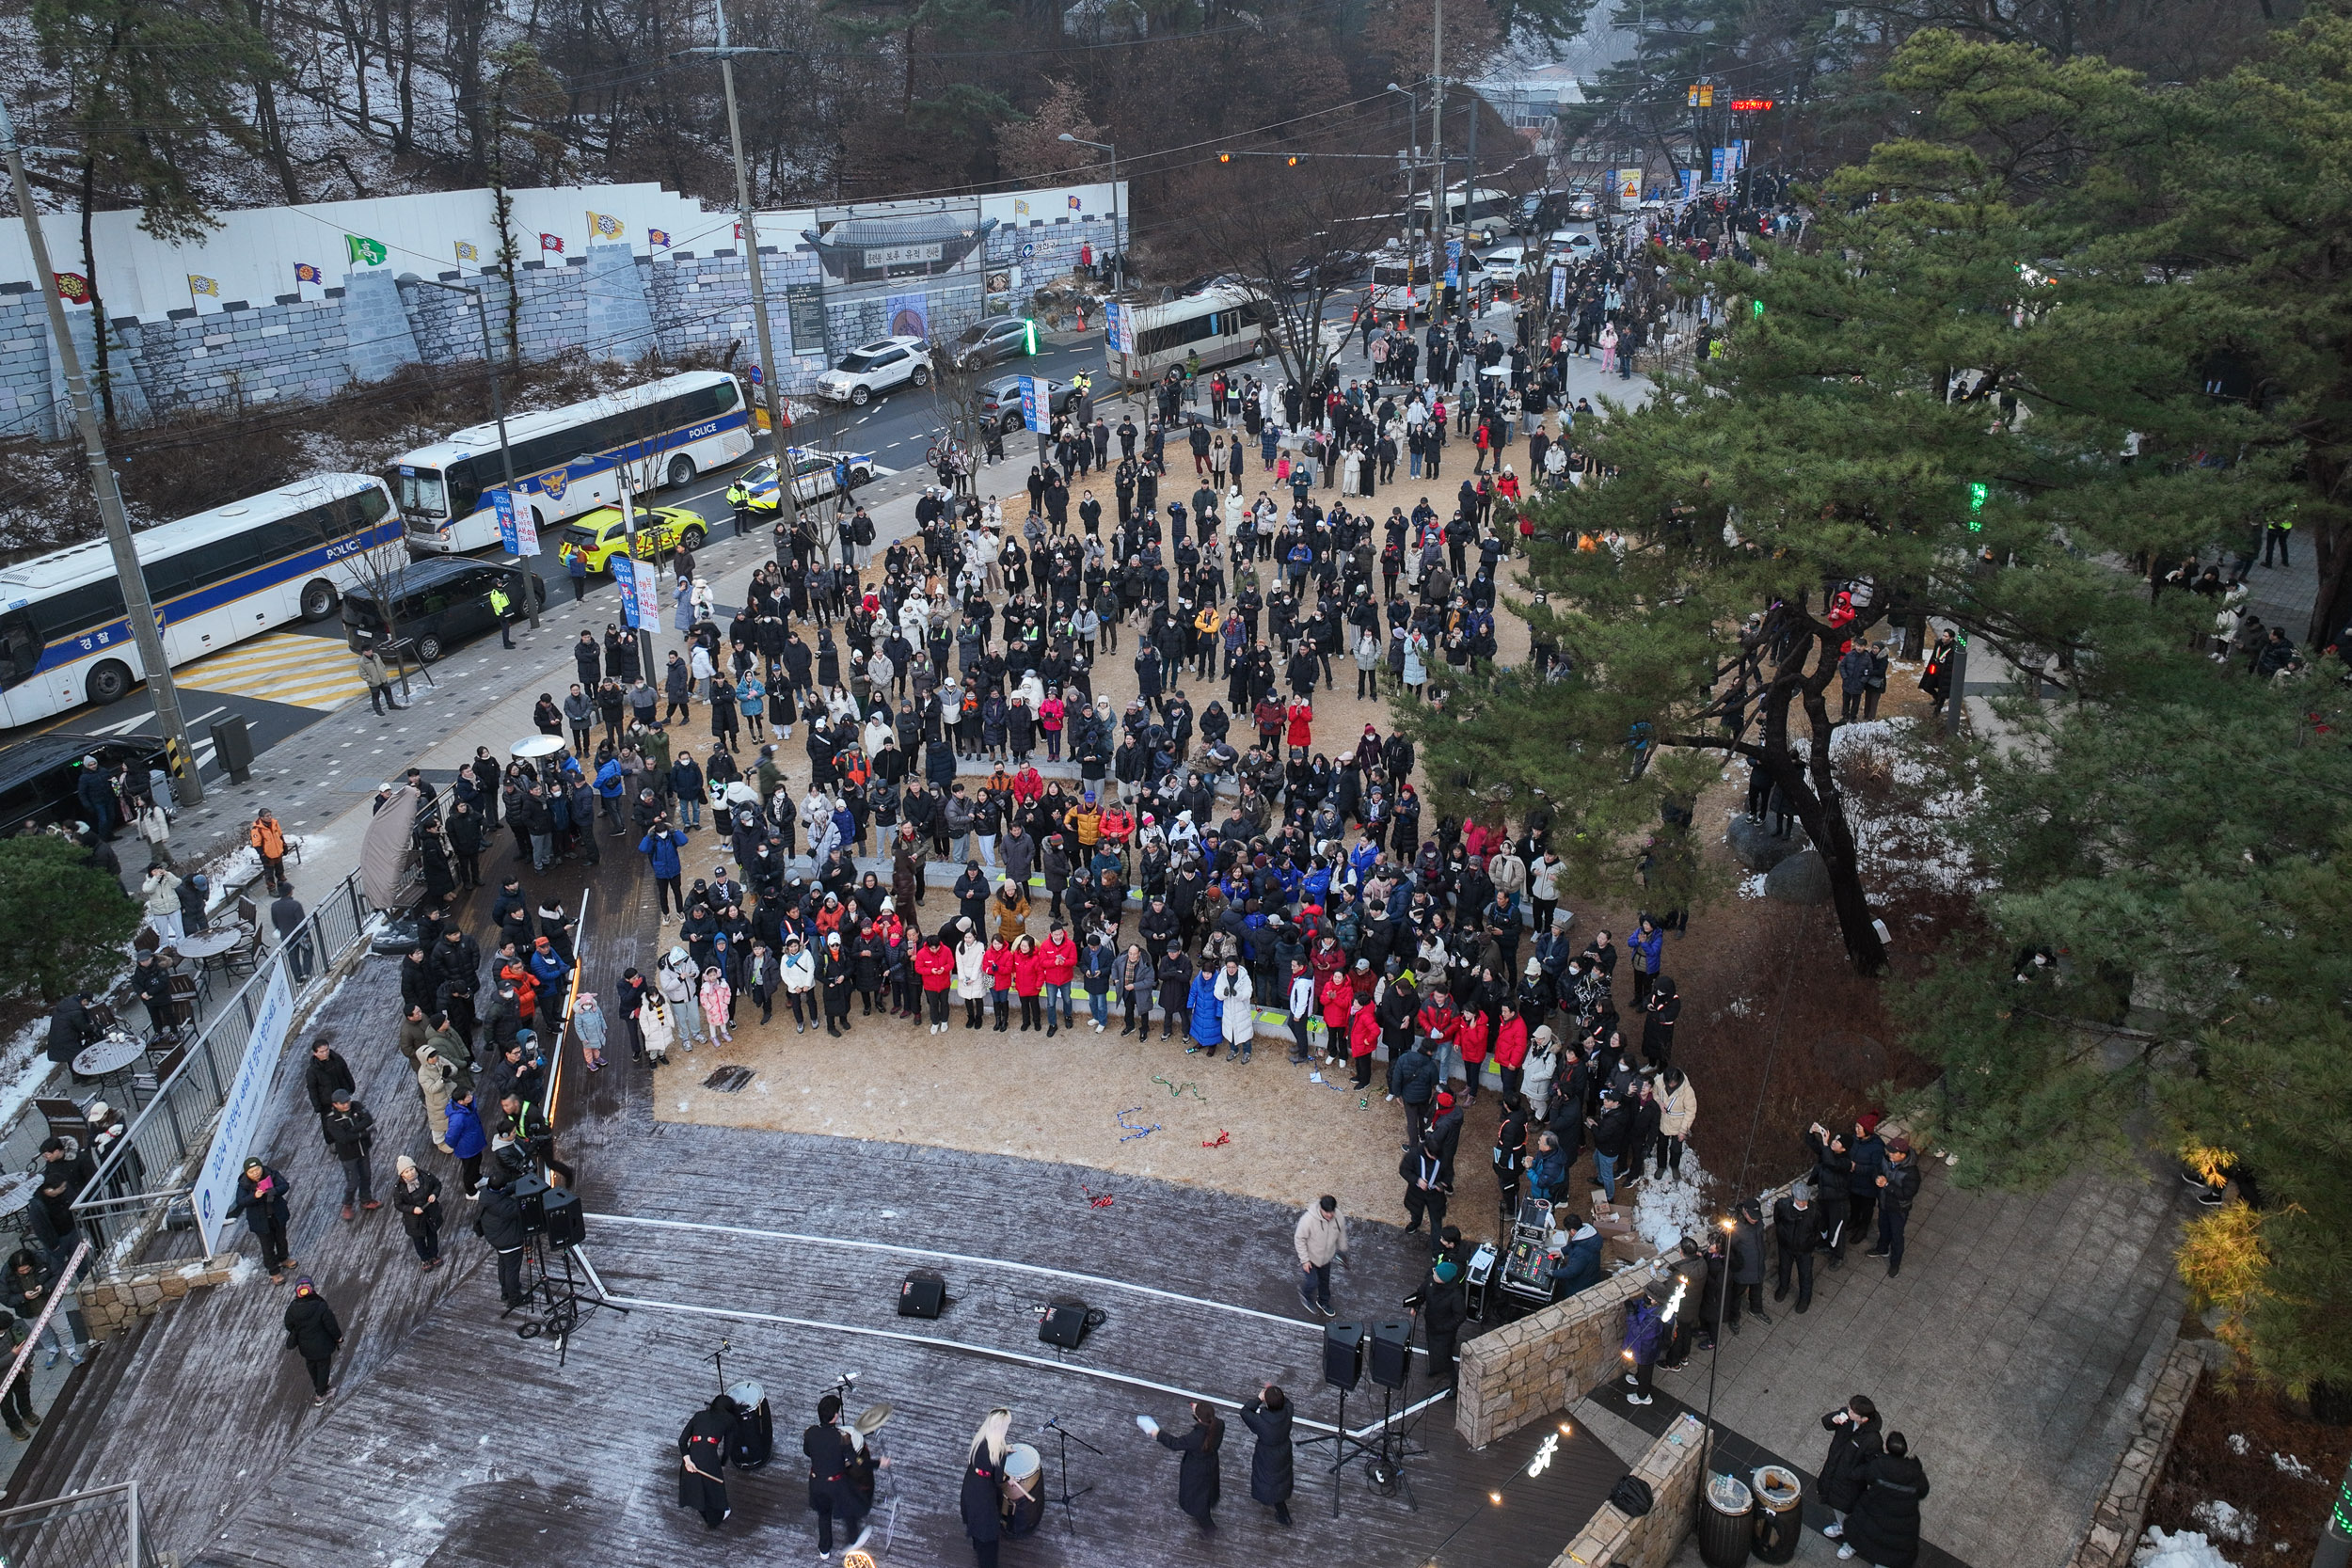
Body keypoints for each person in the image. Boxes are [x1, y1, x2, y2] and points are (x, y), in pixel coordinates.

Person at [1841, 1432, 1930, 1566]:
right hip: (1903, 1518)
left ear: (1887, 1449)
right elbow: (1923, 1491)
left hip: (1875, 1509)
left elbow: (1869, 1478)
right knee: (1891, 1551)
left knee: (1862, 1531)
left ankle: (1851, 1547)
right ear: (1906, 1449)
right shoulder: (1916, 1473)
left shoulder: (1878, 1465)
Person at [803, 1392, 874, 1558]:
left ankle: (824, 1549)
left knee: (824, 1514)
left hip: (816, 1482)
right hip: (835, 1484)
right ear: (835, 1416)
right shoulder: (843, 1438)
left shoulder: (810, 1433)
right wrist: (878, 1463)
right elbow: (857, 1462)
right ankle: (853, 1540)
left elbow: (807, 1451)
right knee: (850, 1507)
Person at [1145, 1401, 1223, 1530]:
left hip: (1196, 1470)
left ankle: (1209, 1528)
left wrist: (1158, 1434)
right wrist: (1198, 1410)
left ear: (1199, 1419)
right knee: (1206, 1491)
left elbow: (1175, 1444)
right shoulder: (1219, 1425)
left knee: (1197, 1497)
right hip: (1211, 1464)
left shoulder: (1196, 1437)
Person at [1818, 1395, 1884, 1543]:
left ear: (1863, 1419)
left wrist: (1852, 1474)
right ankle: (1841, 1528)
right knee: (1836, 1506)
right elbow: (1826, 1422)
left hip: (1849, 1484)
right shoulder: (1846, 1418)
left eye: (1852, 1411)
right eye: (1849, 1408)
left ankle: (1852, 1542)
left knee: (1850, 1514)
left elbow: (1874, 1465)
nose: (1848, 1411)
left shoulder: (1872, 1440)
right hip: (1833, 1473)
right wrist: (1833, 1419)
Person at [961, 1408, 1017, 1568]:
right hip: (984, 1493)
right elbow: (999, 1479)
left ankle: (977, 1546)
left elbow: (988, 1456)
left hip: (971, 1484)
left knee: (975, 1519)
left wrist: (1004, 1448)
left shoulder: (980, 1439)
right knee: (988, 1533)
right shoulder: (999, 1452)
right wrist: (1009, 1479)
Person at [226, 1157, 294, 1283]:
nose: (256, 1173)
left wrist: (273, 1191)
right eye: (251, 1172)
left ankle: (284, 1258)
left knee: (281, 1239)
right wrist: (254, 1196)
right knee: (267, 1246)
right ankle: (274, 1271)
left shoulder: (272, 1174)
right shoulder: (243, 1185)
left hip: (277, 1215)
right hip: (260, 1220)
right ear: (247, 1173)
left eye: (257, 1169)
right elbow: (241, 1201)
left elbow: (285, 1185)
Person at [1239, 1385, 1295, 1526]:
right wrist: (1276, 1394)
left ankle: (1281, 1513)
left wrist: (1259, 1398)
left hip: (1266, 1454)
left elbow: (1245, 1411)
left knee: (1267, 1481)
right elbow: (1288, 1403)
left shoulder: (1262, 1422)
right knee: (1278, 1479)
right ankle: (1283, 1514)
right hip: (1284, 1451)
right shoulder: (1288, 1412)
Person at [281, 1276, 342, 1406]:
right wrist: (338, 1337)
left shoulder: (293, 1308)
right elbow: (331, 1325)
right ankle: (321, 1394)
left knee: (312, 1366)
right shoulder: (320, 1306)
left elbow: (288, 1325)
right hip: (323, 1345)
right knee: (323, 1367)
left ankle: (319, 1384)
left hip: (306, 1347)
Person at [678, 1395, 737, 1529]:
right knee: (713, 1492)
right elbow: (728, 1448)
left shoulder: (699, 1416)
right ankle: (715, 1520)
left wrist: (687, 1461)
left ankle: (706, 1514)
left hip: (691, 1460)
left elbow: (682, 1441)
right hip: (709, 1462)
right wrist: (722, 1463)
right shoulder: (729, 1421)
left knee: (697, 1489)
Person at [322, 1089, 379, 1222]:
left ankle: (366, 1199)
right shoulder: (331, 1120)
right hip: (348, 1155)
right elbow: (343, 1138)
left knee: (366, 1175)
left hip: (363, 1149)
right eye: (342, 1103)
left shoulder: (357, 1106)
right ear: (335, 1104)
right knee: (353, 1182)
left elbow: (368, 1120)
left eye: (347, 1101)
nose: (346, 1104)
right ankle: (347, 1204)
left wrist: (352, 1130)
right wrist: (362, 1134)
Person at [1414, 1256, 1470, 1388]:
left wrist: (1444, 1328)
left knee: (1445, 1356)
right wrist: (1415, 1305)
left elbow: (1460, 1316)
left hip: (1444, 1331)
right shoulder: (1431, 1281)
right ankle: (1435, 1368)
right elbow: (1420, 1293)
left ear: (1444, 1280)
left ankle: (1454, 1382)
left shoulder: (1455, 1296)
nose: (1433, 1273)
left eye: (1437, 1274)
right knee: (1432, 1348)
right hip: (1431, 1324)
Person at [1868, 1137, 1921, 1275]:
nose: (1889, 1154)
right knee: (1883, 1227)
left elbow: (1906, 1194)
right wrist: (1877, 1178)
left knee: (1897, 1237)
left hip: (1898, 1209)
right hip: (1884, 1203)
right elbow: (1877, 1170)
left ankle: (1895, 1264)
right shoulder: (1886, 1159)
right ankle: (1882, 1248)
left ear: (1903, 1155)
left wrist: (1886, 1185)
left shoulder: (1912, 1173)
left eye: (1893, 1153)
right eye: (1889, 1151)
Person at [476, 1176, 530, 1308]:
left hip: (496, 1238)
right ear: (500, 1188)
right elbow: (521, 1208)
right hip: (509, 1241)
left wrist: (521, 1182)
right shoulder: (505, 1207)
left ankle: (505, 1291)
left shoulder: (486, 1193)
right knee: (512, 1270)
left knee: (503, 1264)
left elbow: (505, 1190)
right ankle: (514, 1298)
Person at [1772, 1180, 1825, 1311]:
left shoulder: (1814, 1211)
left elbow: (1818, 1229)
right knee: (1784, 1269)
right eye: (1799, 1200)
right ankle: (1783, 1288)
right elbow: (1777, 1219)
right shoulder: (1783, 1205)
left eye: (1805, 1200)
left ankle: (1805, 1298)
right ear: (1793, 1197)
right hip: (1786, 1246)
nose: (1802, 1203)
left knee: (1805, 1274)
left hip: (1805, 1249)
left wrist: (1810, 1242)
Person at [1293, 1194, 1345, 1318]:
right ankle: (1305, 1293)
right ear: (1320, 1208)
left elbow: (1341, 1233)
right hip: (1310, 1258)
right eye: (1326, 1212)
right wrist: (1305, 1260)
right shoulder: (1308, 1220)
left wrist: (1342, 1250)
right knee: (1313, 1282)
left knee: (1324, 1282)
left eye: (1331, 1212)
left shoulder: (1338, 1217)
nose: (1329, 1215)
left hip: (1326, 1258)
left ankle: (1323, 1302)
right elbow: (1299, 1239)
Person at [392, 1155, 444, 1272]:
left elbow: (437, 1185)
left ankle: (434, 1255)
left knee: (432, 1235)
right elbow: (398, 1204)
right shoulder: (399, 1188)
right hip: (414, 1220)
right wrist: (412, 1209)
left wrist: (434, 1194)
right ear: (402, 1174)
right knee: (418, 1240)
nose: (410, 1173)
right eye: (406, 1171)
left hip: (430, 1214)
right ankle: (425, 1259)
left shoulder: (426, 1177)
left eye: (411, 1169)